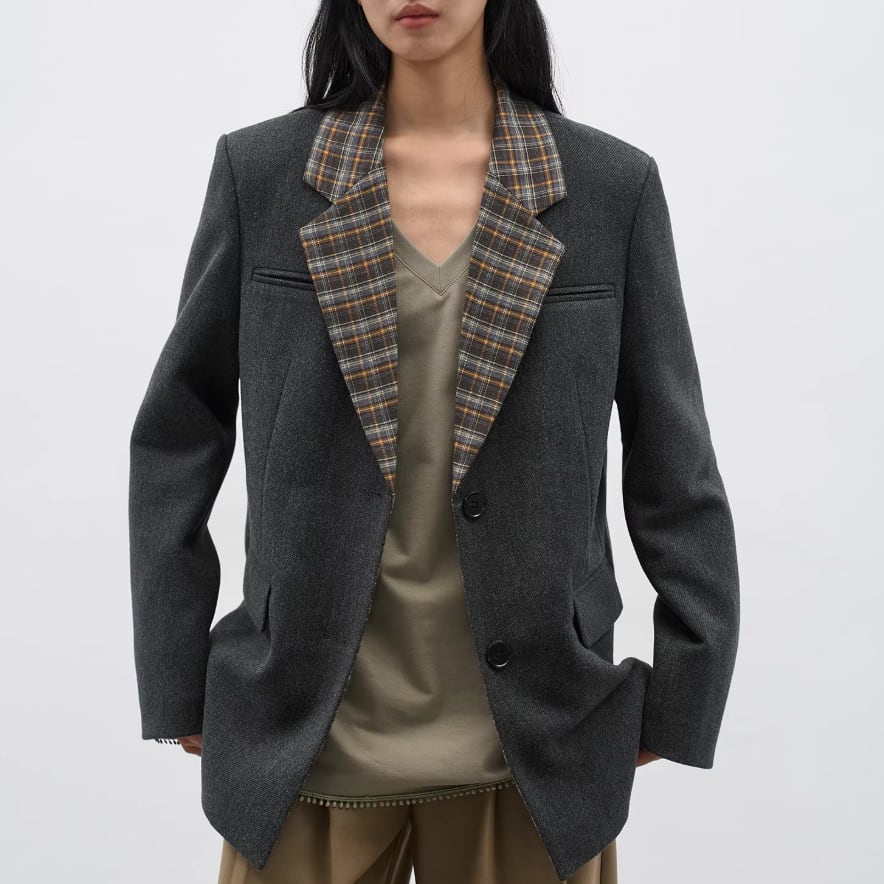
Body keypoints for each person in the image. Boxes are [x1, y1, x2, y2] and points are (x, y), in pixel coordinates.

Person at [128, 1, 740, 882]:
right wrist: (175, 679)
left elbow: (674, 460)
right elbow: (175, 436)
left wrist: (684, 696)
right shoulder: (262, 175)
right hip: (301, 736)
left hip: (538, 747)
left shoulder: (610, 188)